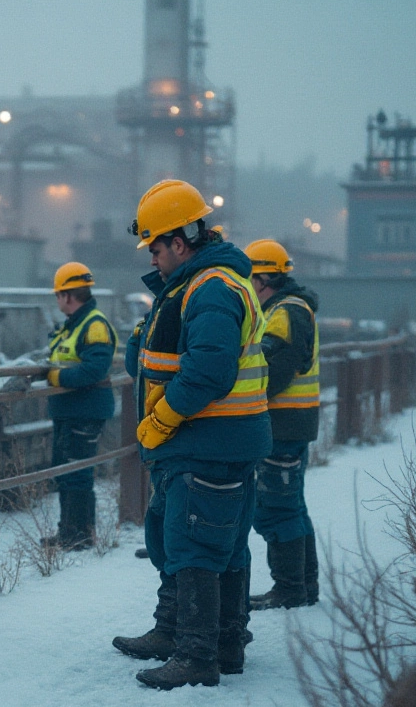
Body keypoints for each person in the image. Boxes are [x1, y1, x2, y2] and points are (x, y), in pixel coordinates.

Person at [111, 180, 271, 690]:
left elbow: (209, 370)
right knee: (196, 539)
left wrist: (162, 420)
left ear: (180, 242)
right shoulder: (192, 287)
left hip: (207, 441)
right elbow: (151, 359)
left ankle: (198, 656)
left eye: (155, 247)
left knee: (199, 545)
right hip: (209, 443)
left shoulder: (213, 289)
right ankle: (209, 638)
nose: (152, 258)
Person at [243, 239, 320, 610]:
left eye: (249, 278)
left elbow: (275, 371)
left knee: (277, 508)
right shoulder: (287, 309)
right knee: (293, 506)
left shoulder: (284, 313)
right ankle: (304, 587)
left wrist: (240, 393)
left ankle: (290, 589)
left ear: (263, 278)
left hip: (283, 424)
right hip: (292, 422)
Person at [41, 262, 116, 551]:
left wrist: (55, 376)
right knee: (65, 471)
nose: (58, 300)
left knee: (77, 473)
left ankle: (80, 536)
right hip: (69, 410)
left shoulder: (94, 325)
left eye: (58, 295)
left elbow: (94, 370)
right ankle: (69, 532)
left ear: (67, 296)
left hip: (84, 411)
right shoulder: (74, 325)